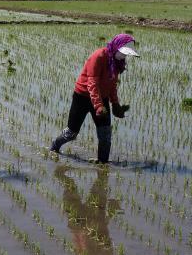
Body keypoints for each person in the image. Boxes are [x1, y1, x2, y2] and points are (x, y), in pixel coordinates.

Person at [50, 33, 139, 163]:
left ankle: (102, 164)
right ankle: (54, 147)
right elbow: (92, 84)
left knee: (105, 135)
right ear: (116, 46)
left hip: (101, 99)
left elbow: (112, 85)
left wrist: (115, 104)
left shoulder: (118, 62)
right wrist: (98, 106)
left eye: (127, 54)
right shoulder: (99, 56)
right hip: (82, 97)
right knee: (71, 133)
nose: (124, 56)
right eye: (123, 53)